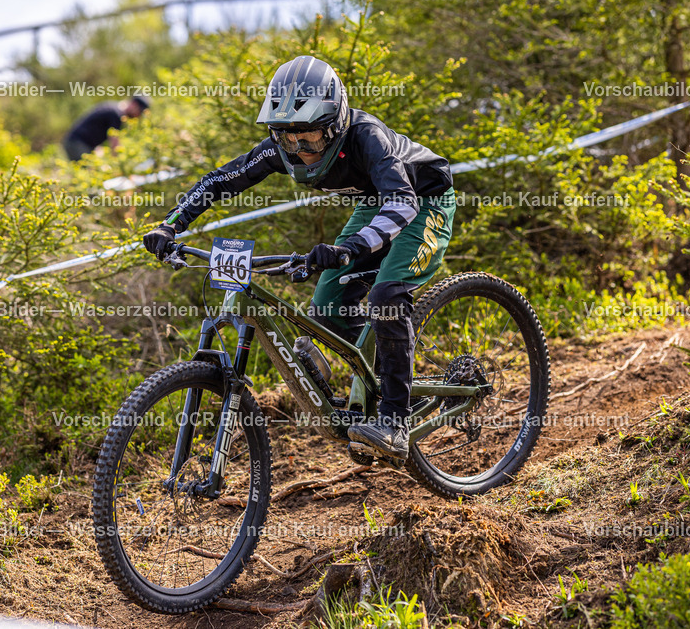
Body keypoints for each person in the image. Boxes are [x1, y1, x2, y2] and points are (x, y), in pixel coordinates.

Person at [143, 56, 456, 460]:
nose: (300, 149)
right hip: (371, 204)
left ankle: (395, 419)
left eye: (310, 138)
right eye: (288, 138)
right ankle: (382, 381)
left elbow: (401, 204)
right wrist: (172, 224)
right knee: (326, 305)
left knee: (387, 297)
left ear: (336, 123)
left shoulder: (367, 137)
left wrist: (348, 248)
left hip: (420, 203)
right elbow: (222, 179)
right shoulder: (283, 147)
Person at [63, 95, 150, 161]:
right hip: (76, 143)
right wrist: (119, 165)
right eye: (139, 112)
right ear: (134, 104)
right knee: (89, 173)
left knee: (93, 170)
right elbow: (115, 145)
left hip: (76, 143)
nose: (138, 116)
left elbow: (93, 130)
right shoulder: (116, 114)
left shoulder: (112, 108)